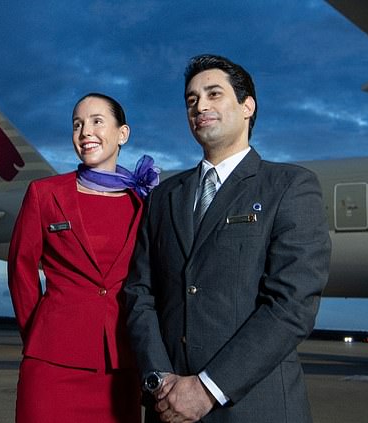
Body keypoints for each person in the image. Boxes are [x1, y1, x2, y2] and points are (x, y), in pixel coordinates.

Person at [124, 54, 331, 423]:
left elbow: (291, 305)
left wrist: (206, 388)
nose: (200, 105)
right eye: (191, 100)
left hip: (255, 409)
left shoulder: (290, 187)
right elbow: (140, 293)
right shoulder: (162, 197)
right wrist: (159, 379)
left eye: (214, 93)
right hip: (166, 406)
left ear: (247, 105)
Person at [8, 93, 160, 423]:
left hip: (120, 366)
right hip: (51, 364)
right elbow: (21, 269)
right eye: (77, 124)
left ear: (123, 134)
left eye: (96, 122)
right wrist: (39, 331)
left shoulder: (145, 204)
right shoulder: (44, 194)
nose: (85, 131)